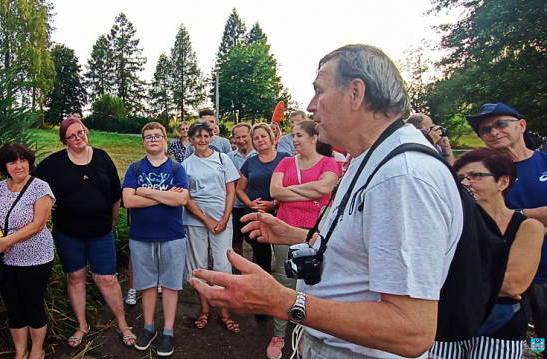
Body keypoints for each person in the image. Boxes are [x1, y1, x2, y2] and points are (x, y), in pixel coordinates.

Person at [191, 44, 463, 358]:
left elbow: (411, 329)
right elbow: (363, 250)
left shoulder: (402, 177)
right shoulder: (373, 159)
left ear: (356, 93)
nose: (311, 106)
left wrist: (283, 302)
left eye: (319, 91)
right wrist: (297, 236)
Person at [31, 115, 136, 348]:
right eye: (71, 136)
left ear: (86, 131)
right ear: (64, 140)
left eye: (81, 133)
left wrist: (113, 220)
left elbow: (115, 194)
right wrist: (47, 201)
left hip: (101, 231)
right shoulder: (54, 163)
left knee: (106, 278)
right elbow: (33, 185)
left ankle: (122, 323)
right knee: (75, 277)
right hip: (67, 232)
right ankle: (82, 325)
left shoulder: (102, 157)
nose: (78, 138)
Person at [429, 149, 542, 358]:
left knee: (540, 337)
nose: (466, 183)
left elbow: (514, 284)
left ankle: (539, 351)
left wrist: (447, 279)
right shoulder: (450, 224)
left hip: (501, 325)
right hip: (448, 321)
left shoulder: (528, 227)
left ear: (503, 182)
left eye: (476, 176)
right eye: (461, 178)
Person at [465, 102, 547, 339]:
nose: (493, 132)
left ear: (521, 125)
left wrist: (514, 217)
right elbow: (480, 217)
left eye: (500, 124)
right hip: (505, 278)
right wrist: (533, 223)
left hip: (544, 275)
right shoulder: (480, 175)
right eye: (485, 130)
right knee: (529, 338)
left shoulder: (543, 162)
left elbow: (498, 218)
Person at [268, 120, 340, 358]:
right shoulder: (286, 161)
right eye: (293, 135)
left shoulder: (329, 162)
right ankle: (278, 335)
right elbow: (275, 192)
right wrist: (311, 190)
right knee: (283, 280)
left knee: (312, 283)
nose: (294, 139)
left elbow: (325, 188)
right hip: (283, 227)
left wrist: (293, 189)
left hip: (315, 232)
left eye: (298, 135)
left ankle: (305, 333)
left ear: (314, 138)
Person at [0, 142, 55, 359]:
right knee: (13, 306)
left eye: (23, 160)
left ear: (30, 162)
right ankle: (20, 352)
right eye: (12, 161)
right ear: (5, 166)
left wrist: (6, 241)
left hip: (35, 258)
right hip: (5, 258)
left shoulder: (40, 187)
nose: (19, 166)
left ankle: (37, 352)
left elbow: (39, 224)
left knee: (33, 305)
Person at [122, 122, 189, 357]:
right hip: (141, 237)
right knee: (147, 285)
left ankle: (168, 332)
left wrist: (146, 191)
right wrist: (166, 196)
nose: (152, 139)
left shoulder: (176, 167)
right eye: (148, 137)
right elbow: (128, 201)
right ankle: (149, 329)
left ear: (164, 140)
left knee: (170, 285)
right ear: (143, 142)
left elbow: (181, 200)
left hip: (172, 236)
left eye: (157, 136)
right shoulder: (135, 167)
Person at [182, 121, 241, 334]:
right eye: (198, 136)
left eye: (206, 136)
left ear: (212, 137)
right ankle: (204, 310)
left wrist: (225, 218)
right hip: (196, 219)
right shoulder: (186, 165)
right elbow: (186, 198)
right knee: (199, 266)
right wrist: (206, 220)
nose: (202, 140)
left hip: (222, 218)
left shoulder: (223, 159)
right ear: (191, 139)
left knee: (223, 264)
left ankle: (224, 312)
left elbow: (231, 191)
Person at [235, 123, 289, 327]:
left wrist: (274, 203)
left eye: (263, 136)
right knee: (262, 261)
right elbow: (240, 188)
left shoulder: (286, 158)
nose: (260, 140)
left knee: (284, 261)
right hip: (256, 216)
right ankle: (264, 304)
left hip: (281, 214)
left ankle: (286, 301)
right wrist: (249, 203)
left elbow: (293, 187)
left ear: (271, 136)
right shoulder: (250, 163)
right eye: (255, 137)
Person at [227, 123, 258, 269]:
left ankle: (255, 268)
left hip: (254, 203)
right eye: (237, 137)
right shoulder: (228, 158)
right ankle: (239, 268)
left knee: (256, 240)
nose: (241, 140)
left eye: (244, 136)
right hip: (235, 205)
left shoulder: (259, 155)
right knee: (236, 238)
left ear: (250, 136)